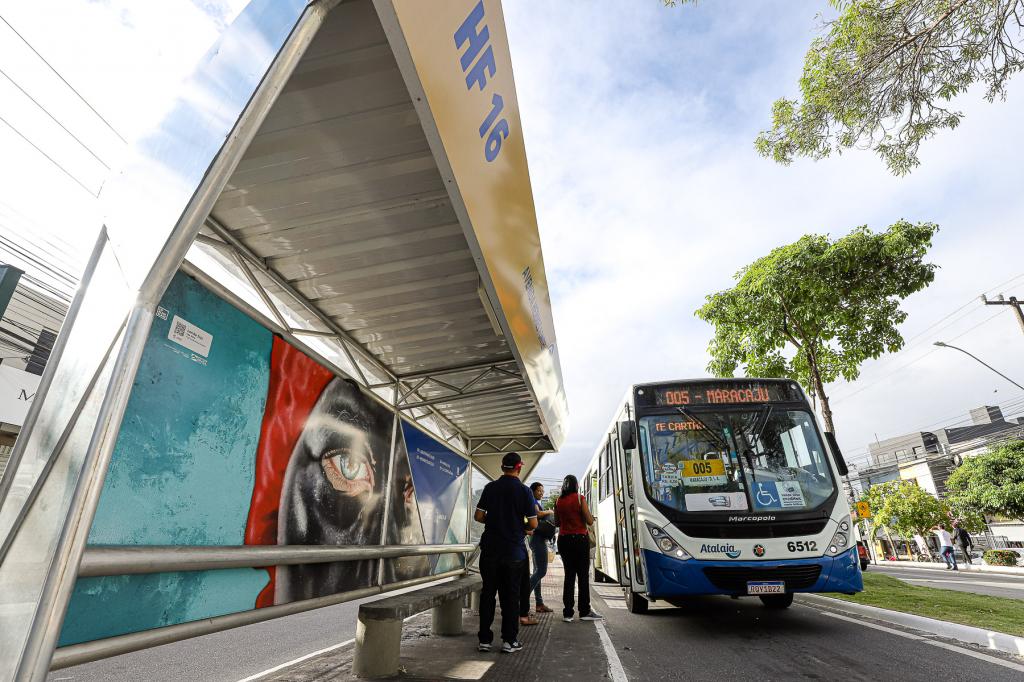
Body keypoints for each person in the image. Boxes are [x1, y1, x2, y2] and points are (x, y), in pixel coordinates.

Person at [474, 452, 538, 653]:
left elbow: (478, 515)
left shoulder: (490, 488)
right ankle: (509, 641)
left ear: (502, 467)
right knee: (511, 597)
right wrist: (520, 523)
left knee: (488, 594)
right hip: (513, 552)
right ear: (519, 467)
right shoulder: (524, 491)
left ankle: (484, 640)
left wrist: (495, 521)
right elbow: (533, 523)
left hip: (490, 550)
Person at [555, 474, 603, 622]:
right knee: (582, 576)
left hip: (563, 540)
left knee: (569, 576)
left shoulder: (558, 501)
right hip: (579, 539)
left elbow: (557, 522)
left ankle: (568, 613)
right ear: (576, 485)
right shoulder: (579, 498)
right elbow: (589, 520)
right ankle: (584, 611)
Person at [528, 482, 555, 614]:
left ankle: (539, 603)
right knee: (541, 571)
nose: (541, 493)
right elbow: (537, 514)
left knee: (537, 571)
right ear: (533, 491)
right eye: (539, 491)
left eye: (542, 491)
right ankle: (522, 596)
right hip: (538, 540)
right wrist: (549, 511)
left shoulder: (534, 500)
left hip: (536, 539)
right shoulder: (532, 500)